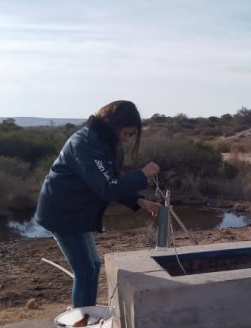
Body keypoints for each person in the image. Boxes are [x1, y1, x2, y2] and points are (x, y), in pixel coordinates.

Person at [34, 100, 161, 308]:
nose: (127, 139)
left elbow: (113, 180)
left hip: (77, 212)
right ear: (114, 124)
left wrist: (139, 200)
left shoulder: (107, 144)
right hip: (62, 212)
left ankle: (87, 314)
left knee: (92, 266)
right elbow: (106, 187)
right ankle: (83, 322)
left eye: (131, 135)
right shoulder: (84, 144)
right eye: (127, 133)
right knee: (84, 270)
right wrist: (142, 174)